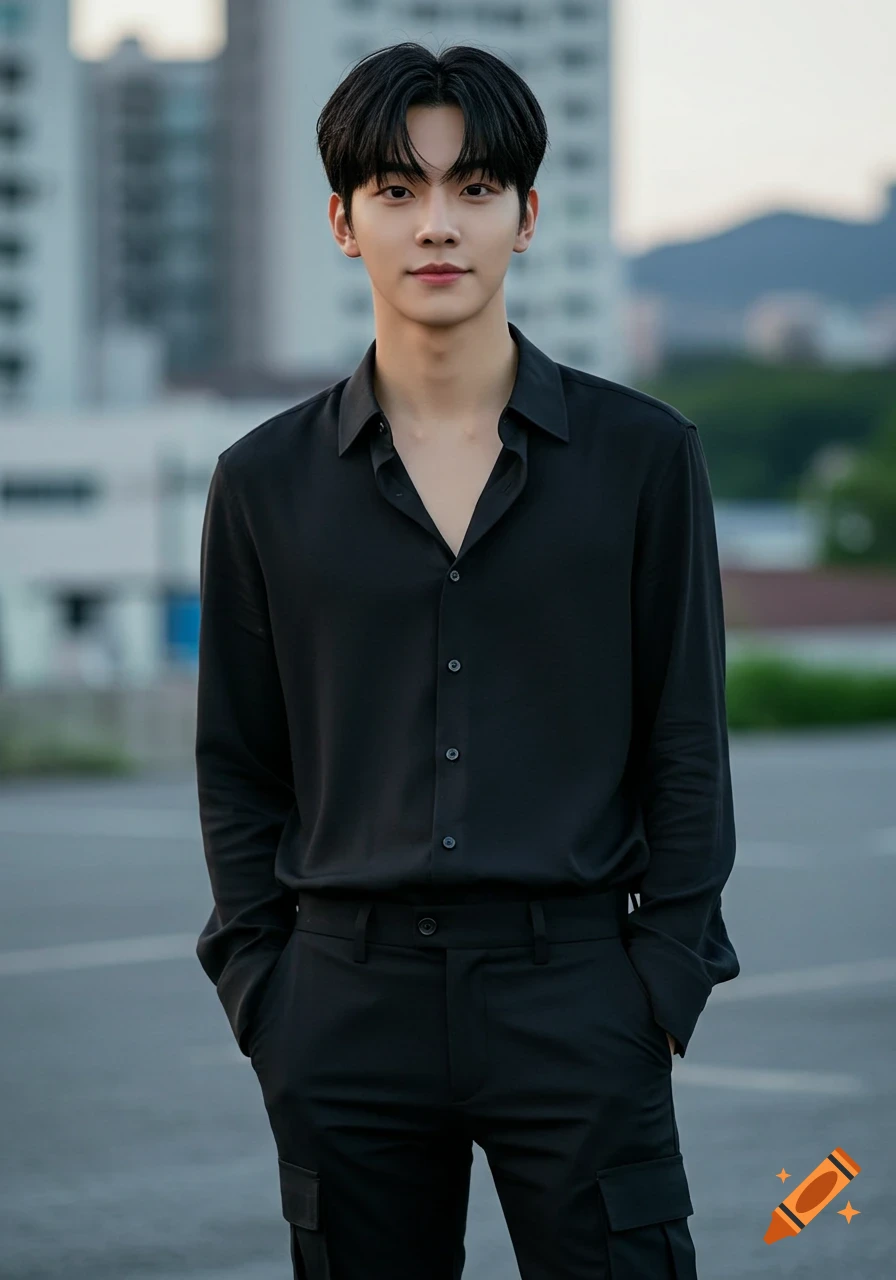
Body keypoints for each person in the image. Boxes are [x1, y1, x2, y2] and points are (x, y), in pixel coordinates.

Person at [194, 40, 740, 1280]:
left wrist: (659, 981)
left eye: (474, 187)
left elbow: (684, 739)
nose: (437, 224)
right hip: (342, 1001)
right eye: (396, 190)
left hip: (579, 994)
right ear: (343, 221)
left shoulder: (642, 456)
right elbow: (237, 758)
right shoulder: (263, 483)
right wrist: (264, 992)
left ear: (527, 215)